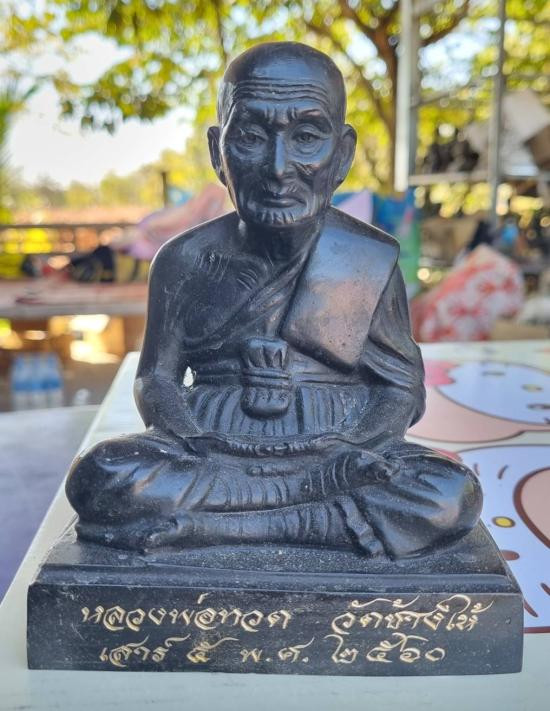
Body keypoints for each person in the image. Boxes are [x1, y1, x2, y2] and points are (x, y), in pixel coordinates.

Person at [66, 42, 482, 559]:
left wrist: (353, 448)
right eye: (250, 137)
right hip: (213, 448)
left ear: (342, 153)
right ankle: (313, 521)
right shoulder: (184, 260)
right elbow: (157, 379)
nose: (278, 167)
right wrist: (196, 440)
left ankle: (216, 528)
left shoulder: (365, 260)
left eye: (306, 137)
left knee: (448, 493)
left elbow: (401, 387)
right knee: (103, 475)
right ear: (218, 151)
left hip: (336, 451)